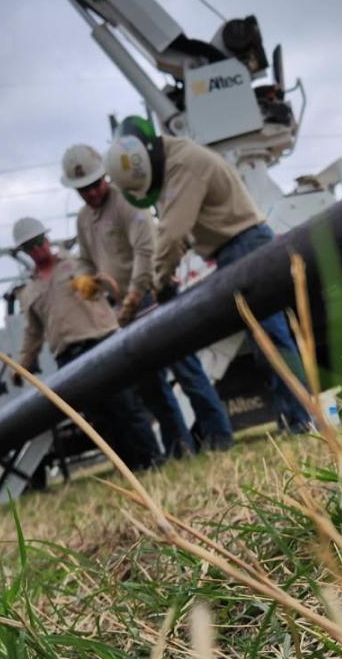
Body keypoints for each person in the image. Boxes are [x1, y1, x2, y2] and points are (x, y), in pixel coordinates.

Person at [104, 120, 314, 434]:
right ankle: (293, 417)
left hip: (245, 246)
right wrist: (169, 266)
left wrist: (160, 281)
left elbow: (172, 231)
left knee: (271, 338)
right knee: (264, 342)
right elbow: (189, 229)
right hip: (235, 248)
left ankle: (304, 418)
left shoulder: (183, 164)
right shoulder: (175, 165)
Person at [60, 143, 234, 454]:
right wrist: (84, 280)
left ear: (105, 178)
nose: (91, 194)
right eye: (83, 190)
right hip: (123, 312)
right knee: (151, 386)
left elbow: (146, 250)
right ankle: (179, 447)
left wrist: (135, 293)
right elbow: (86, 260)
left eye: (95, 185)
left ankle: (219, 438)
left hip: (154, 296)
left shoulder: (128, 201)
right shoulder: (84, 221)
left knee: (187, 371)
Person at [7, 216, 164, 472]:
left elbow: (111, 283)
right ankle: (128, 469)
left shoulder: (77, 262)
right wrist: (20, 367)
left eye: (38, 242)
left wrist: (99, 283)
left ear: (47, 239)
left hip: (102, 342)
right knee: (99, 417)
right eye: (29, 247)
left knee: (126, 405)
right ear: (24, 252)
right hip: (69, 357)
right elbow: (33, 334)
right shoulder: (29, 291)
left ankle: (153, 460)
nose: (37, 250)